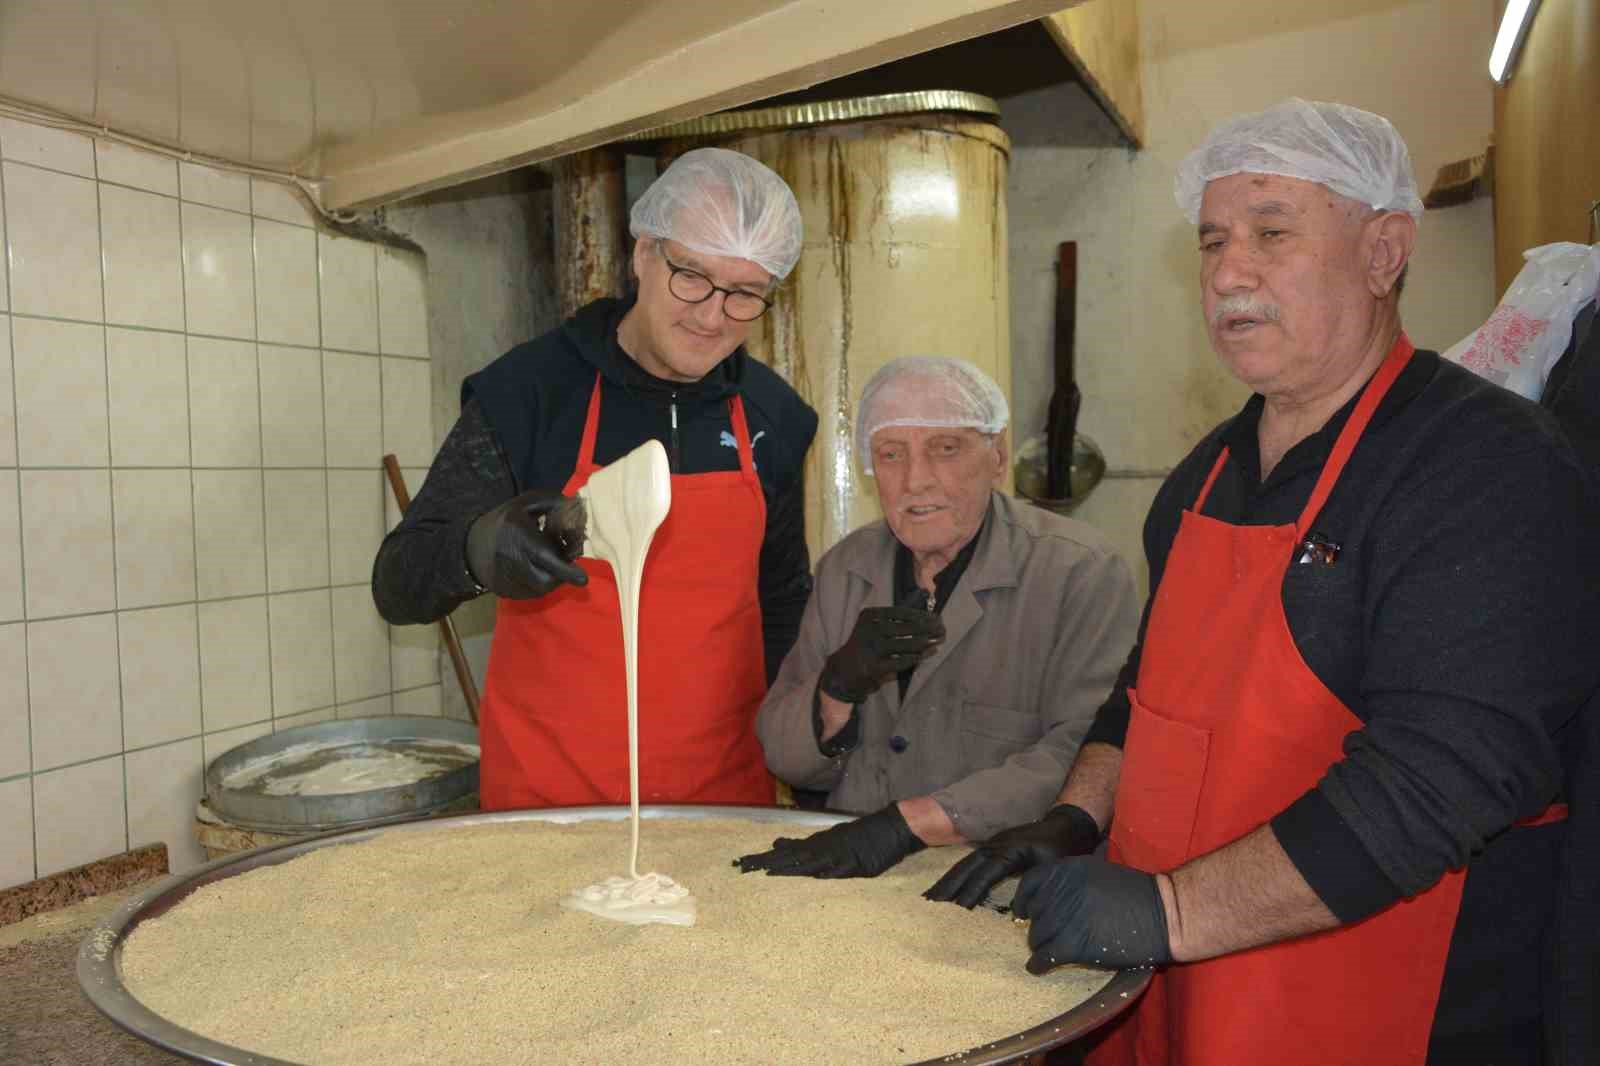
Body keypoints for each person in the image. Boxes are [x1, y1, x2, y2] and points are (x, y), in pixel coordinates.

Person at [926, 99, 1600, 1066]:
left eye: (1271, 233)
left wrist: (1168, 909)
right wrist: (1076, 816)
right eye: (1212, 242)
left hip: (1378, 1008)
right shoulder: (1203, 476)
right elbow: (1144, 696)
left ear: (1383, 253)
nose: (1227, 273)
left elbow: (1440, 779)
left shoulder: (1485, 464)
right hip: (1175, 988)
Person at [372, 148, 818, 811]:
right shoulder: (533, 392)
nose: (712, 315)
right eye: (691, 276)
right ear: (643, 253)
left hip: (720, 803)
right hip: (547, 806)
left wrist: (805, 767)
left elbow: (783, 605)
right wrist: (477, 550)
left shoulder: (772, 417)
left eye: (745, 293)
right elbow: (398, 583)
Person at [735, 356, 1139, 878]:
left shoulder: (1079, 571)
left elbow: (1087, 752)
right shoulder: (845, 569)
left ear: (997, 456)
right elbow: (782, 755)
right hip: (850, 878)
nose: (916, 480)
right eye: (891, 454)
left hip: (994, 878)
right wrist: (834, 691)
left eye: (946, 449)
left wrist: (911, 824)